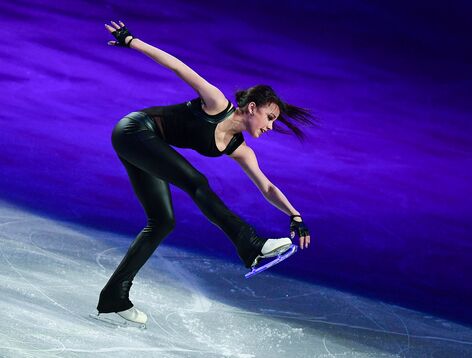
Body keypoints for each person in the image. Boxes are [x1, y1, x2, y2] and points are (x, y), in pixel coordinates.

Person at [96, 20, 315, 325]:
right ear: (252, 107)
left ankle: (113, 297)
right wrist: (131, 40)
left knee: (162, 221)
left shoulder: (240, 149)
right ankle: (249, 243)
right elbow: (177, 66)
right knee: (196, 181)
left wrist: (295, 216)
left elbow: (266, 188)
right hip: (134, 130)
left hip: (147, 145)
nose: (270, 126)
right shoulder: (217, 103)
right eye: (269, 116)